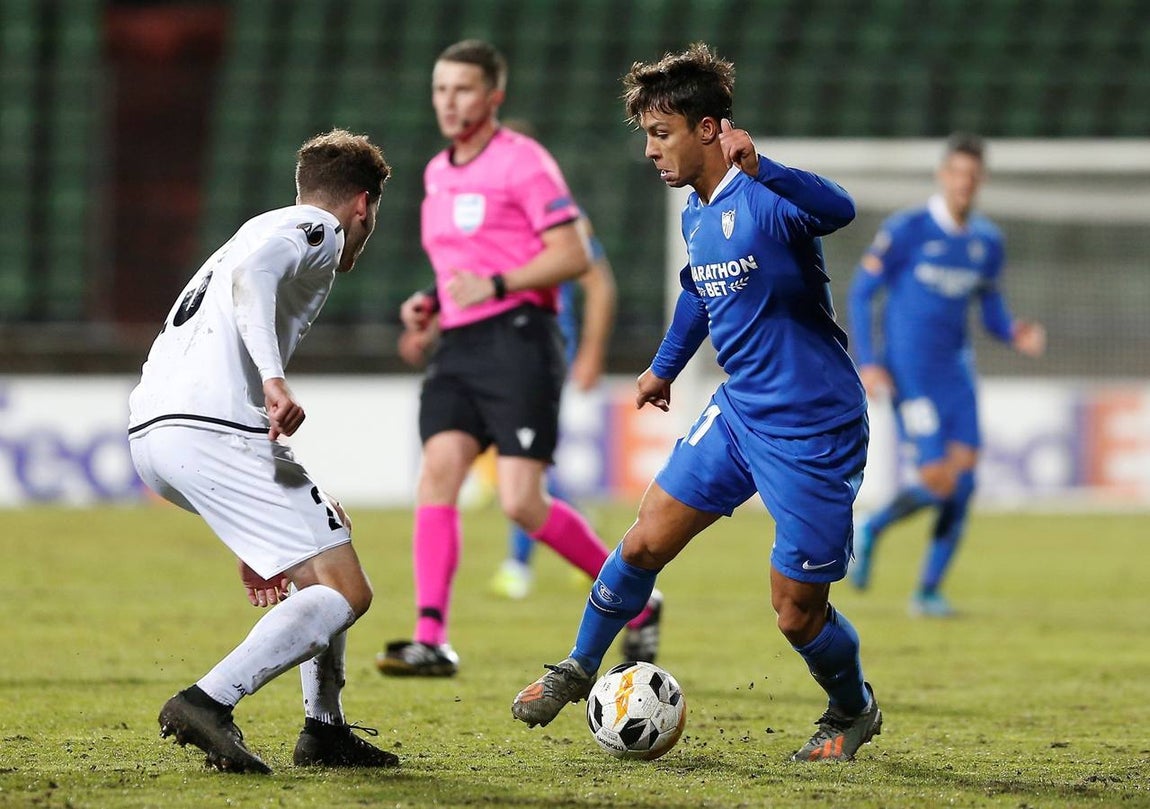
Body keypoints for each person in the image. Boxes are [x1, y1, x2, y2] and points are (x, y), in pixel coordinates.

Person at [511, 43, 883, 763]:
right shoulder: (696, 213)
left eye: (661, 133)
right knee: (645, 537)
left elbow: (840, 208)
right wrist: (663, 368)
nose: (650, 150)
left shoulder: (765, 194)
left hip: (814, 429)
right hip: (740, 412)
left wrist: (765, 165)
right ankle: (577, 666)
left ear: (709, 128)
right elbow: (698, 292)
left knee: (795, 613)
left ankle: (852, 705)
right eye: (647, 135)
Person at [377, 39, 658, 678]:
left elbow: (576, 257)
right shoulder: (437, 172)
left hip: (521, 340)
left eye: (463, 89)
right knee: (439, 471)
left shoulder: (525, 163)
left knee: (521, 502)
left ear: (493, 96)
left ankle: (638, 603)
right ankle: (430, 637)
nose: (449, 102)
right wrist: (427, 304)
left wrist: (499, 287)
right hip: (460, 347)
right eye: (441, 89)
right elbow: (459, 267)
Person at [128, 129, 396, 774]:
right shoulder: (315, 228)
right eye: (372, 215)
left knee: (328, 535)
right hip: (211, 425)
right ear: (363, 206)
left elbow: (244, 279)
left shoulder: (252, 231)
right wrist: (274, 380)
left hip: (155, 432)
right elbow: (255, 278)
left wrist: (263, 542)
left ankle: (323, 731)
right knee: (346, 591)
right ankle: (208, 701)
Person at [846, 133, 1046, 617]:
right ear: (943, 175)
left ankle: (928, 592)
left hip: (956, 376)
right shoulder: (908, 228)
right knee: (939, 481)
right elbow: (860, 292)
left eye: (972, 176)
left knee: (966, 483)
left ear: (981, 181)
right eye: (956, 173)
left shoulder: (986, 242)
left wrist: (1014, 331)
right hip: (910, 375)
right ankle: (872, 528)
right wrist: (869, 361)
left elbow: (990, 307)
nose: (964, 183)